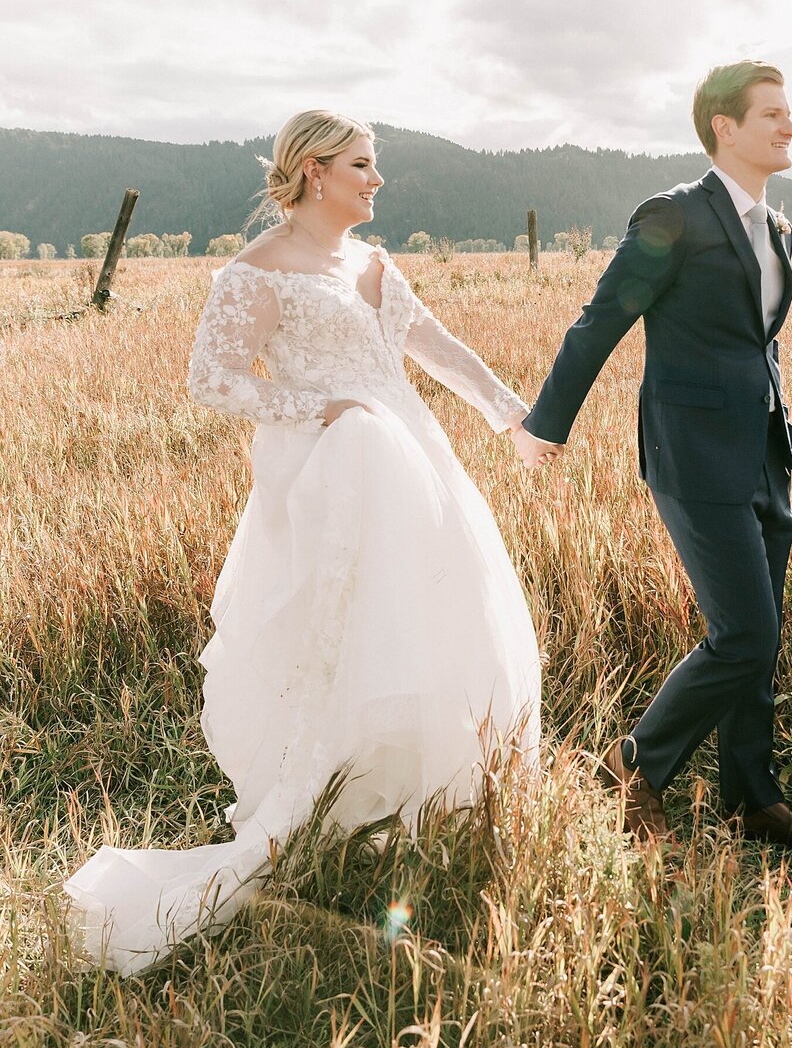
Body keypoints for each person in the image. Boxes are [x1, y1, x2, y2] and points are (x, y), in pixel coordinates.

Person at [65, 111, 547, 974]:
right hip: (328, 471)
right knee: (340, 631)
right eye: (363, 165)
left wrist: (514, 415)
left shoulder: (372, 263)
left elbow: (435, 349)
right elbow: (210, 381)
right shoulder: (254, 272)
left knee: (434, 613)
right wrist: (319, 407)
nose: (377, 179)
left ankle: (419, 801)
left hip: (411, 460)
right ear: (315, 172)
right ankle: (325, 802)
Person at [521, 61, 792, 846]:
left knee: (759, 638)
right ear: (723, 129)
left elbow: (755, 342)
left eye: (789, 113)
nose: (790, 127)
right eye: (772, 114)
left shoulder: (777, 227)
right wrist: (546, 424)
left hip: (766, 455)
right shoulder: (673, 216)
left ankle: (753, 799)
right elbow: (601, 320)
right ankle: (633, 764)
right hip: (693, 457)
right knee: (743, 635)